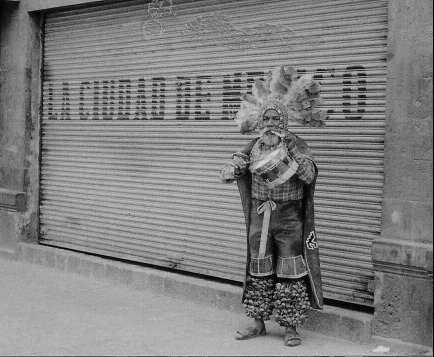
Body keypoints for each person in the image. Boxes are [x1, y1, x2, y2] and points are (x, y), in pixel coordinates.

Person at [219, 66, 326, 347]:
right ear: (258, 120)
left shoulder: (296, 145)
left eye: (275, 118)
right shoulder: (253, 145)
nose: (269, 124)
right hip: (260, 215)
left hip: (289, 217)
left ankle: (290, 327)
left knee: (290, 270)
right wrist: (233, 168)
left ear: (284, 121)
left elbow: (309, 176)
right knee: (258, 267)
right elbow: (231, 168)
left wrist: (295, 155)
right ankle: (258, 323)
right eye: (265, 118)